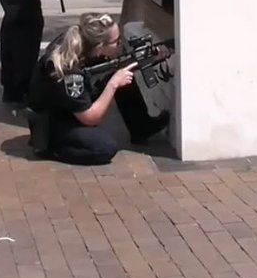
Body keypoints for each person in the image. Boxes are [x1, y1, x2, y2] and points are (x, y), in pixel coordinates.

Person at [29, 13, 171, 165]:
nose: (120, 45)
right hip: (51, 121)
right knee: (104, 148)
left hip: (65, 105)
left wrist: (150, 59)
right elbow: (90, 118)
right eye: (116, 42)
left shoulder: (82, 39)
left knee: (121, 70)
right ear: (100, 47)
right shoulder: (70, 70)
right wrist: (113, 84)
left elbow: (112, 67)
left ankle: (141, 127)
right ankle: (52, 148)